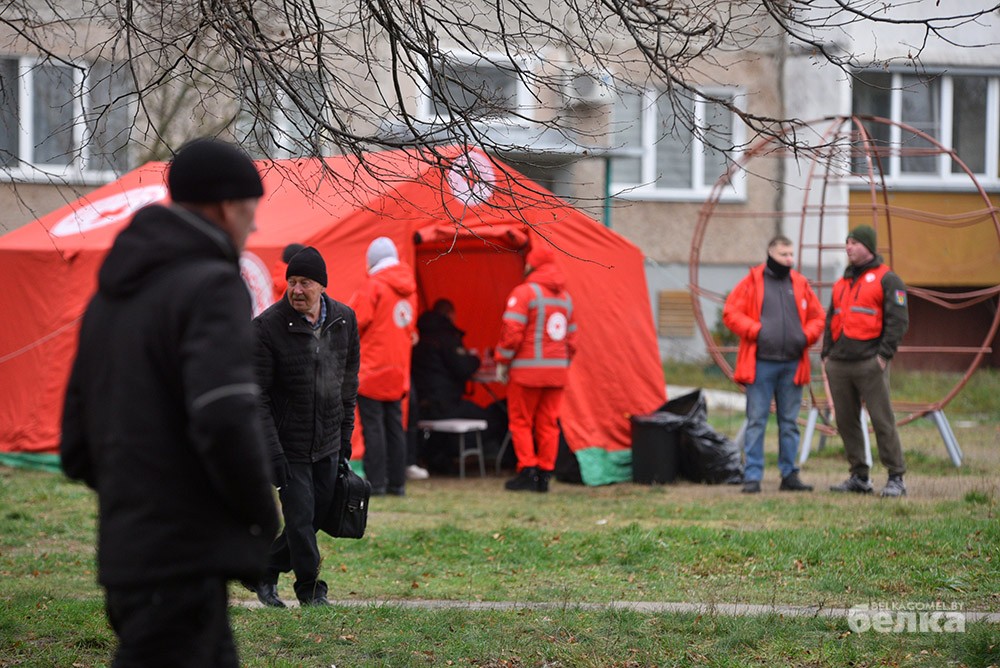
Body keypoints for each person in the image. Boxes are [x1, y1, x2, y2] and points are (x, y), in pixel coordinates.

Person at [60, 137, 279, 667]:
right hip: (185, 556)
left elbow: (76, 446)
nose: (253, 228)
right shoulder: (211, 286)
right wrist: (260, 518)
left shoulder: (110, 296)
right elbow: (225, 415)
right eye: (252, 212)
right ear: (228, 206)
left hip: (128, 553)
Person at [252, 246, 361, 606]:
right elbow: (259, 397)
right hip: (288, 446)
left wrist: (345, 436)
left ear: (322, 286)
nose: (297, 290)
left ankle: (264, 568)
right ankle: (311, 590)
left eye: (306, 283)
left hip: (328, 441)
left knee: (315, 517)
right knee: (299, 519)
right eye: (292, 282)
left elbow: (348, 382)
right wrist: (274, 453)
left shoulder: (344, 320)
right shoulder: (268, 327)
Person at [723, 235, 825, 494]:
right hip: (760, 366)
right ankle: (753, 476)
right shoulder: (752, 281)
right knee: (756, 421)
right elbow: (731, 313)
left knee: (789, 423)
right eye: (784, 255)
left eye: (791, 255)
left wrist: (805, 336)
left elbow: (818, 317)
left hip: (792, 365)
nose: (789, 260)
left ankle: (789, 475)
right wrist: (756, 330)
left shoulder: (800, 283)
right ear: (770, 253)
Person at [823, 224, 909, 497]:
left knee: (882, 420)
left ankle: (896, 477)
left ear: (869, 247)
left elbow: (898, 321)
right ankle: (859, 476)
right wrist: (827, 355)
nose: (848, 247)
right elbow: (830, 319)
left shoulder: (888, 280)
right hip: (839, 363)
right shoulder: (842, 282)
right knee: (846, 422)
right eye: (847, 242)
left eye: (855, 242)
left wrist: (883, 356)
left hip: (870, 363)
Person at [494, 242, 577, 493]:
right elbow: (572, 342)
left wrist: (502, 362)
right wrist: (562, 365)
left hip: (526, 373)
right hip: (556, 374)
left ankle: (527, 471)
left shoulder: (524, 293)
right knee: (549, 423)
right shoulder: (566, 299)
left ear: (533, 264)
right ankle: (544, 475)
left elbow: (512, 334)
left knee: (520, 422)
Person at [348, 237, 418, 496]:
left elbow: (355, 322)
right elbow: (409, 327)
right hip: (398, 370)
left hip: (372, 369)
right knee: (395, 427)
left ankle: (376, 483)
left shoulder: (373, 286)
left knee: (373, 428)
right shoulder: (410, 289)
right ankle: (397, 484)